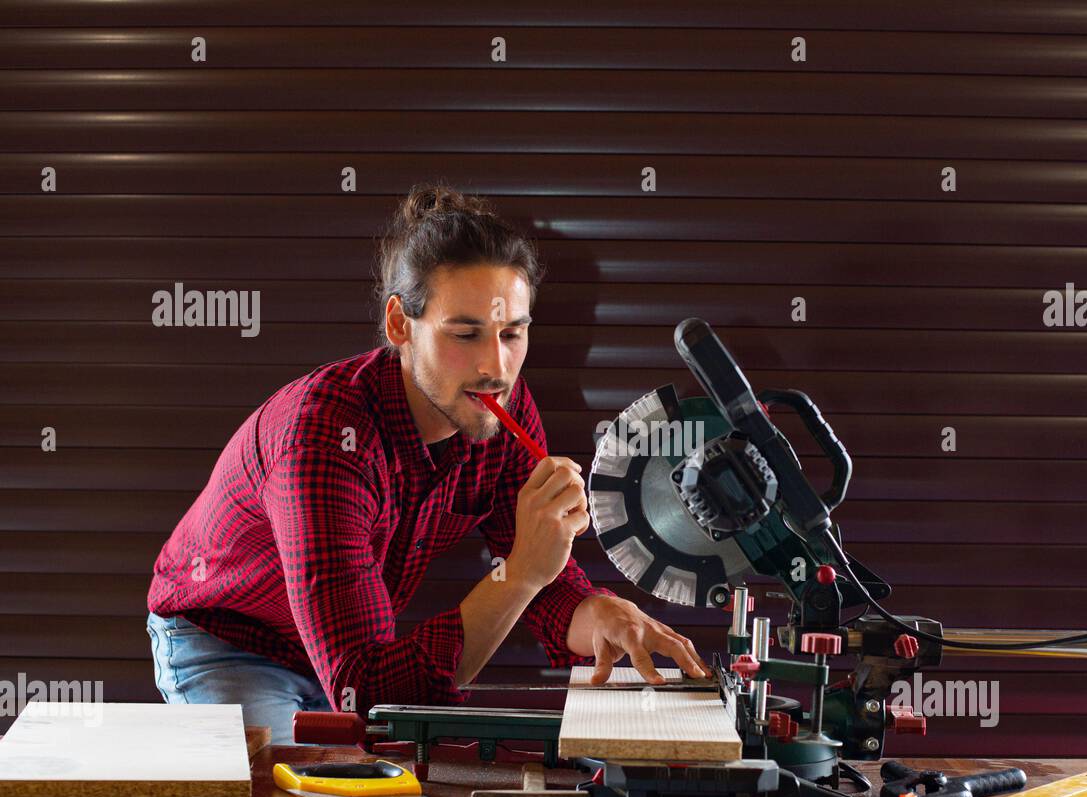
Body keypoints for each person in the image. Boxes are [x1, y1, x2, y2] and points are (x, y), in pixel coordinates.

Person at [146, 185, 707, 743]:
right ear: (399, 325)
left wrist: (601, 613)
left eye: (513, 333)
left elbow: (545, 581)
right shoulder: (321, 441)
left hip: (348, 653)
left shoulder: (499, 408)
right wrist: (519, 574)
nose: (496, 366)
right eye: (466, 334)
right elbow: (364, 692)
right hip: (230, 643)